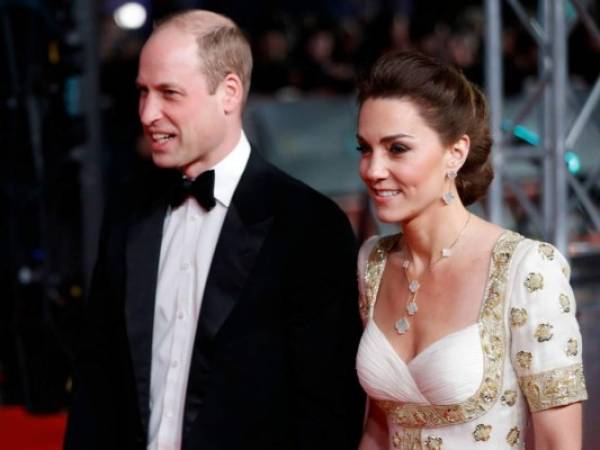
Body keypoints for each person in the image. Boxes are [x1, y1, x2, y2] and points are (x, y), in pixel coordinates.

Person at [63, 10, 365, 450]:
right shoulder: (129, 206)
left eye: (169, 94)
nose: (148, 113)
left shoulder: (308, 225)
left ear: (228, 92)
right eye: (143, 93)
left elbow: (327, 411)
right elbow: (99, 377)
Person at [354, 51, 587, 450]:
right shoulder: (372, 262)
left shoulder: (528, 270)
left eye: (397, 149)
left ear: (456, 153)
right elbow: (378, 428)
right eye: (365, 148)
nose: (373, 170)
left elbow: (558, 445)